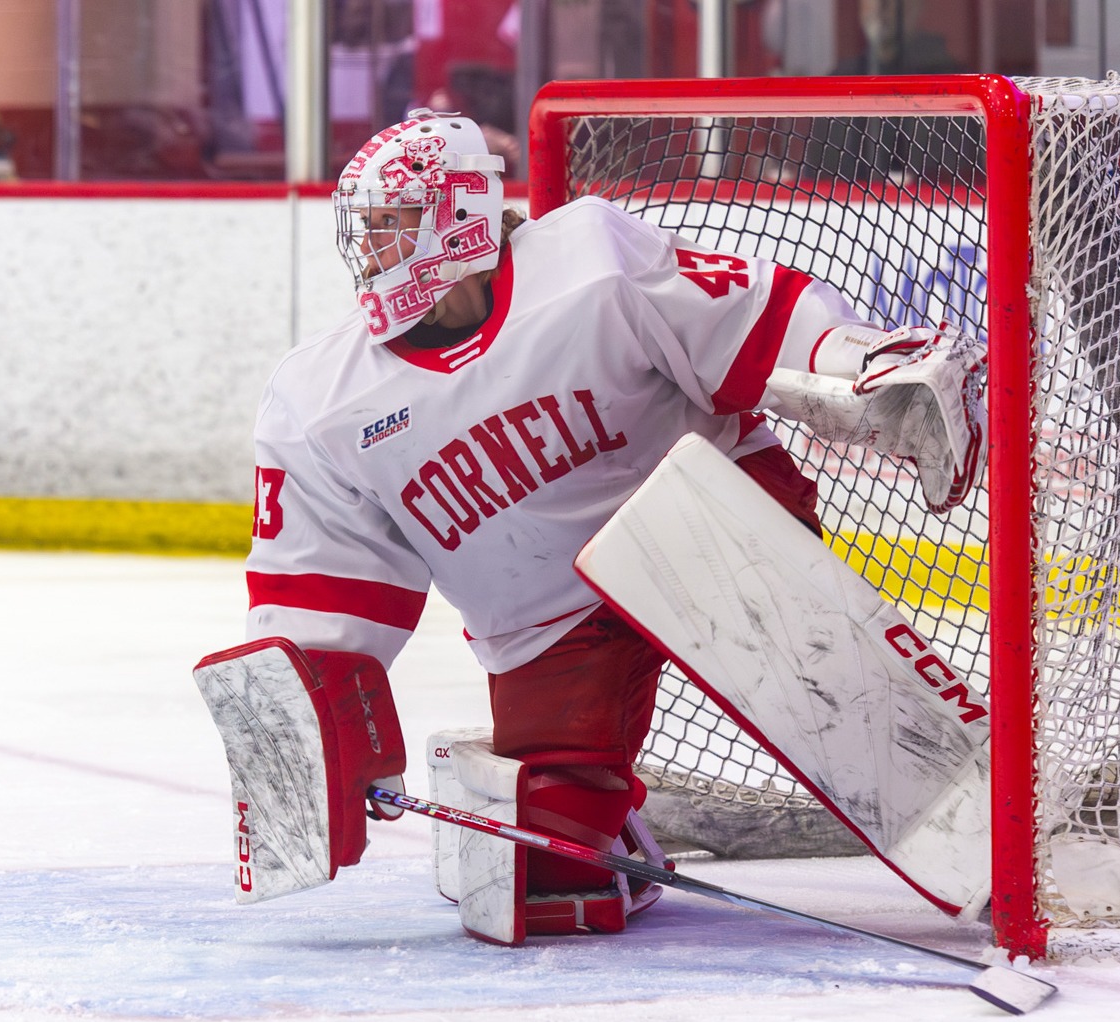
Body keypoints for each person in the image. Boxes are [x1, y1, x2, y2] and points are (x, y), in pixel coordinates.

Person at [244, 110, 982, 942]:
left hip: (705, 527)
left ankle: (1007, 839)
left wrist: (865, 369)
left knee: (871, 727)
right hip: (544, 625)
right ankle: (612, 840)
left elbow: (750, 320)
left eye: (396, 223)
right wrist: (301, 727)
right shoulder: (319, 402)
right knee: (543, 887)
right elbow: (325, 593)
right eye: (368, 229)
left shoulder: (588, 263)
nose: (374, 250)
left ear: (458, 216)